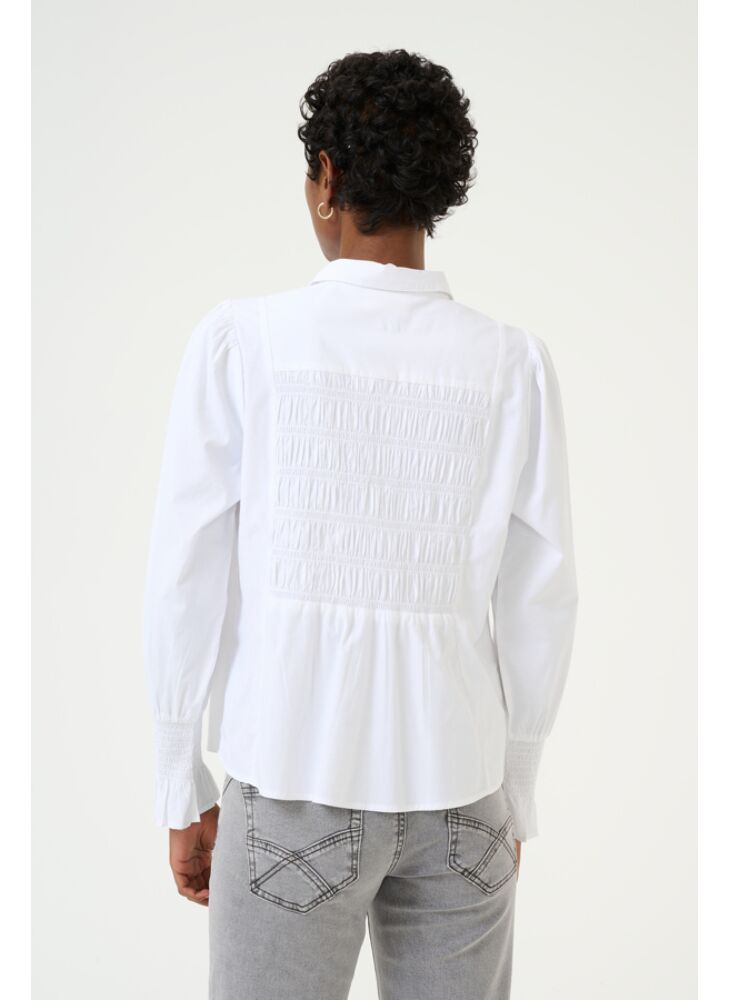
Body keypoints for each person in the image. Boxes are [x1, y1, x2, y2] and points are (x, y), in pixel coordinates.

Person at [143, 48, 579, 1000]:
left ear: (327, 176)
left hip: (292, 781)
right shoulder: (513, 364)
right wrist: (517, 785)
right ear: (439, 189)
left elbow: (185, 572)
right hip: (464, 795)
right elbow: (542, 595)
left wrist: (181, 779)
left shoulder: (244, 342)